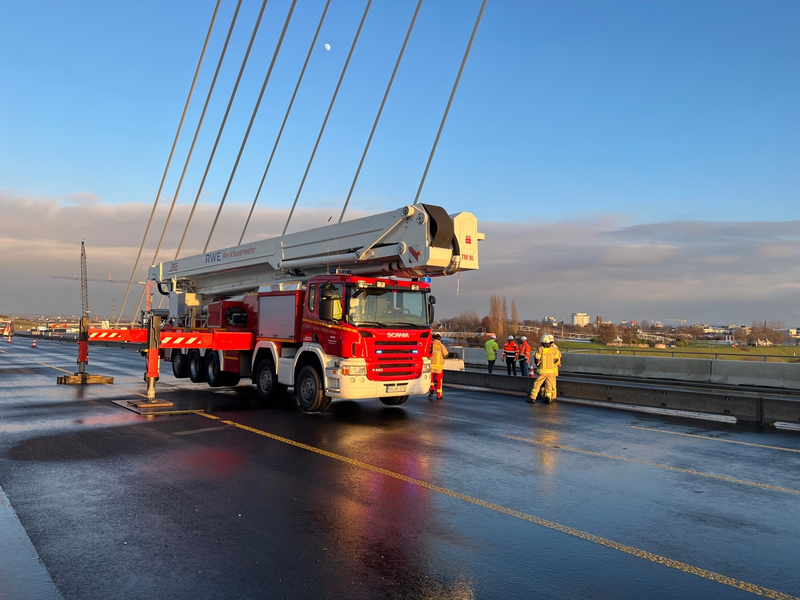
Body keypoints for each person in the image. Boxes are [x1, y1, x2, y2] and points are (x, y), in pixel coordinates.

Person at [528, 333, 562, 404]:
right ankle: (548, 398)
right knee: (549, 385)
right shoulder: (554, 350)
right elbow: (557, 359)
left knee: (537, 384)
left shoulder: (540, 349)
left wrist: (538, 365)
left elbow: (537, 359)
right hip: (551, 371)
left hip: (542, 371)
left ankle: (532, 398)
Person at [429, 332, 449, 400]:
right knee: (439, 381)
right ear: (440, 338)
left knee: (430, 379)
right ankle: (439, 395)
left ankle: (432, 388)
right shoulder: (441, 345)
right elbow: (446, 354)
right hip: (439, 367)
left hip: (431, 365)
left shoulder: (430, 344)